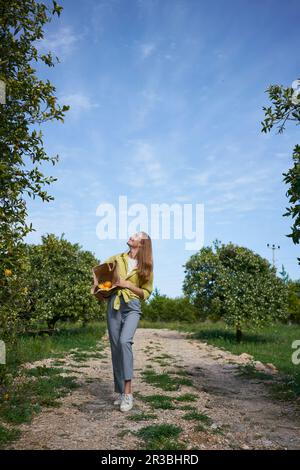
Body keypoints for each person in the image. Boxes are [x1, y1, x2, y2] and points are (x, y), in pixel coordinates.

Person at [100, 231, 154, 412]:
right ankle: (120, 391)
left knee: (124, 342)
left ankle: (128, 393)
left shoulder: (146, 266)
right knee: (115, 347)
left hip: (132, 306)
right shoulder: (117, 258)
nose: (132, 236)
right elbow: (101, 273)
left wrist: (129, 285)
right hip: (114, 304)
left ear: (143, 244)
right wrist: (101, 288)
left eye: (137, 235)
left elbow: (146, 293)